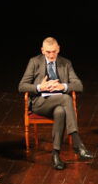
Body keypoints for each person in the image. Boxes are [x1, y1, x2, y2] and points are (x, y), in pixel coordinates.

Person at [18, 37, 93, 170]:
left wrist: (62, 87)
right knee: (66, 99)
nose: (51, 55)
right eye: (48, 52)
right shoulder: (34, 62)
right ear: (42, 51)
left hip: (58, 102)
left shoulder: (65, 63)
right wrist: (41, 87)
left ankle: (56, 155)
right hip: (40, 103)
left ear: (58, 49)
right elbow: (22, 86)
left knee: (60, 111)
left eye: (54, 51)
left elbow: (79, 85)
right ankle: (77, 143)